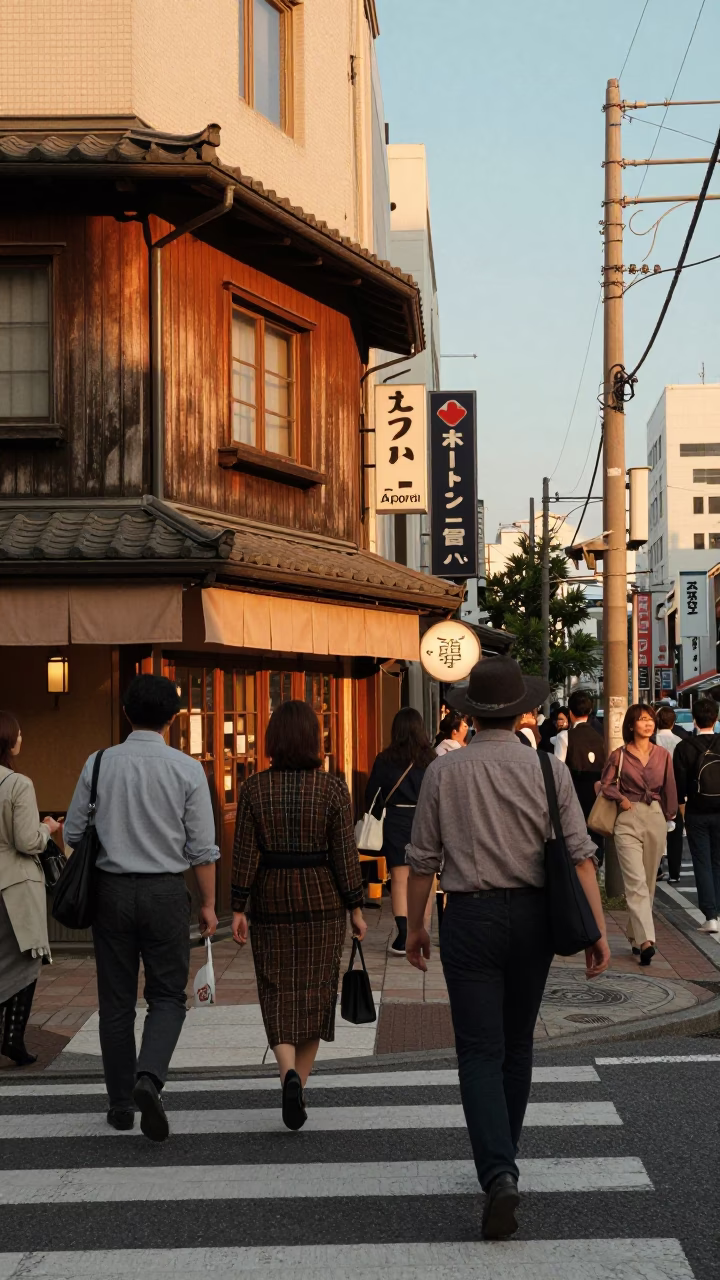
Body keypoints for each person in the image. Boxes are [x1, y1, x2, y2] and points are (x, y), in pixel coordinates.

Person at [405, 655, 609, 1241]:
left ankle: (497, 1171)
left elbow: (422, 860)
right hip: (533, 919)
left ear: (470, 713)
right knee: (517, 1044)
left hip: (467, 915)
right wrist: (595, 929)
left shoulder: (444, 772)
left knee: (477, 1051)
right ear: (523, 710)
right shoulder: (548, 769)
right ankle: (505, 1164)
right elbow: (579, 855)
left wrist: (415, 925)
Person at [64, 675, 219, 1140]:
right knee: (168, 996)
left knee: (115, 1004)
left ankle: (118, 1106)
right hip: (166, 893)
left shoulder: (99, 762)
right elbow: (203, 848)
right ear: (172, 718)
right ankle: (148, 1078)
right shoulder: (187, 769)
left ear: (127, 713)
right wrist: (210, 904)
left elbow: (73, 833)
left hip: (110, 891)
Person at [231, 700, 366, 1129]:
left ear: (273, 740)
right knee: (316, 991)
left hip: (271, 895)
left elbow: (244, 854)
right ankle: (299, 1085)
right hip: (322, 898)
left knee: (276, 989)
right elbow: (345, 855)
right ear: (314, 739)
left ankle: (286, 1071)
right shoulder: (332, 789)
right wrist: (356, 907)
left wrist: (238, 905)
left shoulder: (254, 788)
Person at [0, 713, 62, 1067]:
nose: (22, 737)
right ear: (10, 741)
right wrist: (48, 828)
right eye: (19, 734)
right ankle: (13, 1039)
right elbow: (26, 841)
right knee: (26, 960)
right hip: (15, 885)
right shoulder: (17, 784)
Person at [599, 704, 677, 965]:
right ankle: (647, 942)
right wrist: (621, 799)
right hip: (627, 819)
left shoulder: (663, 755)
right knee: (635, 882)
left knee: (649, 883)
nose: (648, 724)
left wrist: (670, 817)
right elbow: (605, 784)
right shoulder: (619, 755)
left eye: (650, 719)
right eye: (642, 720)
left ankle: (635, 935)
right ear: (631, 725)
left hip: (655, 816)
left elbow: (670, 788)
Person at [365, 708, 436, 956]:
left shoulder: (385, 759)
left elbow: (371, 794)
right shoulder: (431, 758)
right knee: (425, 875)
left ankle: (404, 933)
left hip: (396, 819)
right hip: (426, 820)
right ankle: (422, 928)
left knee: (399, 878)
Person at [673, 697, 720, 931]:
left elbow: (679, 788)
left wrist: (683, 813)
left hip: (696, 811)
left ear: (694, 718)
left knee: (701, 862)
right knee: (718, 861)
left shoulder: (684, 747)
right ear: (717, 717)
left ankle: (710, 917)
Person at [554, 690, 607, 865]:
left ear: (570, 713)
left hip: (573, 794)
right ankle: (597, 873)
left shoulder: (564, 736)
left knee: (576, 840)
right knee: (596, 836)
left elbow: (558, 772)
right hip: (597, 794)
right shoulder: (601, 737)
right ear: (590, 711)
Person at [655, 706, 684, 884]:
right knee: (675, 832)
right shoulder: (680, 741)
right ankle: (675, 872)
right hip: (676, 789)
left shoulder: (652, 741)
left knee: (655, 831)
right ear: (673, 722)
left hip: (656, 790)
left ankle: (657, 867)